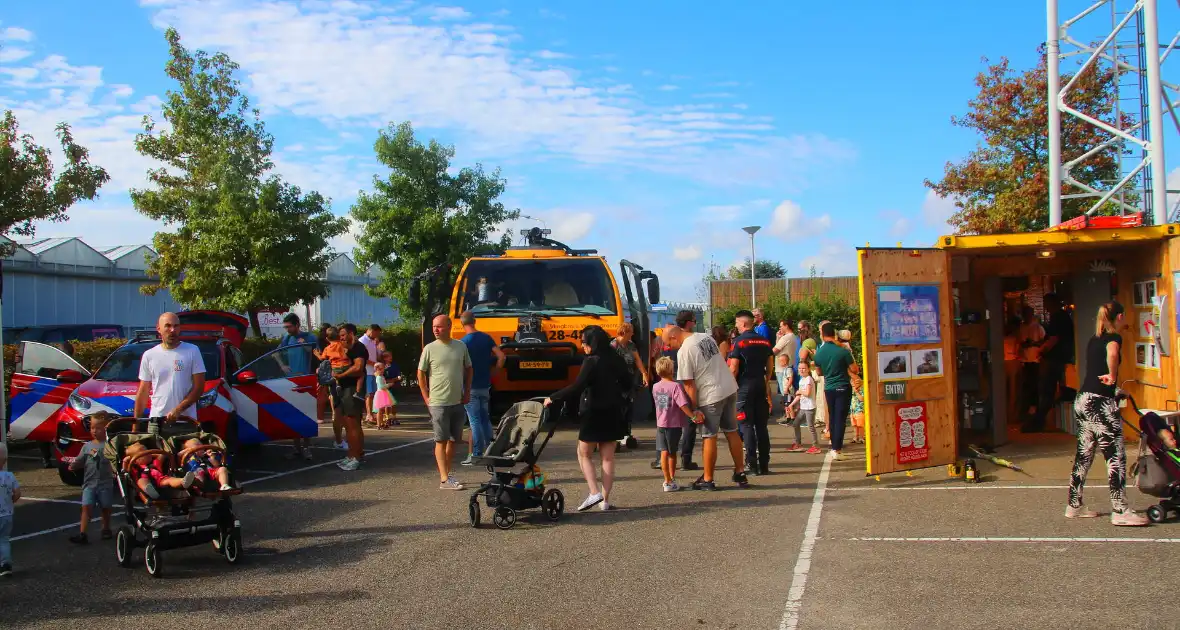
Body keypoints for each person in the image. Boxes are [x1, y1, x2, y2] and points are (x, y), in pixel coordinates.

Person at [1067, 301, 1148, 526]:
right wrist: (1113, 377)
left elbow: (1094, 372)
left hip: (1083, 399)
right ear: (1119, 317)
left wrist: (1114, 388)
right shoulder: (1114, 338)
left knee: (1084, 455)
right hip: (1100, 404)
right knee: (1115, 456)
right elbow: (1112, 354)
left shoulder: (1094, 339)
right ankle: (1120, 510)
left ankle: (1074, 505)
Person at [544, 326, 633, 510]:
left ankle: (594, 493)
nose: (582, 346)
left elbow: (577, 387)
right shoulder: (616, 358)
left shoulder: (591, 361)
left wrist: (553, 397)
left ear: (592, 343)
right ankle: (605, 501)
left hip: (593, 410)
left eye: (584, 342)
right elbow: (628, 382)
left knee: (583, 453)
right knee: (607, 458)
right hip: (613, 410)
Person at [667, 322, 749, 491]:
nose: (669, 347)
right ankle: (740, 472)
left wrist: (695, 409)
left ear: (674, 336)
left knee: (709, 435)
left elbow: (689, 384)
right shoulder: (705, 337)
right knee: (731, 431)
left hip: (710, 395)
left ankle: (708, 478)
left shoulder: (684, 351)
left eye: (669, 343)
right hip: (729, 387)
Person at [418, 315, 473, 490]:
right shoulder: (429, 348)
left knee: (453, 440)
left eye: (439, 327)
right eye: (434, 327)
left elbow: (469, 368)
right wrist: (426, 397)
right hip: (438, 402)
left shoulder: (460, 346)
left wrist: (467, 391)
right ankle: (444, 479)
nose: (435, 330)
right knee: (440, 440)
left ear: (449, 326)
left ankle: (447, 474)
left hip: (457, 400)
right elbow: (420, 373)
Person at [134, 312, 206, 432]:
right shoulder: (149, 355)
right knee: (154, 451)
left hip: (185, 421)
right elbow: (143, 392)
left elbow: (199, 388)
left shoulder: (192, 351)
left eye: (176, 326)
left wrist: (178, 410)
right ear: (158, 328)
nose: (172, 330)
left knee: (191, 450)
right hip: (156, 421)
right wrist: (135, 425)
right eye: (167, 326)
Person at [729, 310, 775, 475]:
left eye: (736, 323)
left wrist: (731, 387)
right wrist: (766, 379)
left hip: (744, 388)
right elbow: (770, 365)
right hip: (760, 385)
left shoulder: (738, 342)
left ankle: (751, 464)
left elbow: (733, 368)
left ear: (743, 323)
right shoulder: (764, 342)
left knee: (746, 425)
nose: (736, 326)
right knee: (761, 426)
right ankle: (764, 464)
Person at [459, 312, 505, 465]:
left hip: (470, 386)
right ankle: (491, 450)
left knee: (474, 420)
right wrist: (495, 372)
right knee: (485, 418)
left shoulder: (463, 343)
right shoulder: (486, 338)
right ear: (475, 321)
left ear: (461, 324)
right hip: (485, 384)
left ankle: (477, 454)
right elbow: (501, 356)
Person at [652, 357, 702, 492]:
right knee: (672, 453)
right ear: (671, 370)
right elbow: (682, 404)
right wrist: (692, 416)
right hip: (674, 424)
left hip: (660, 423)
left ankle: (666, 479)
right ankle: (671, 480)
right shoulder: (676, 386)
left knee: (663, 452)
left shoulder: (655, 386)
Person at [68, 412, 115, 544]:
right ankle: (83, 533)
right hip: (89, 483)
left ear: (106, 428)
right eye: (92, 427)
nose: (94, 431)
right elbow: (80, 460)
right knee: (86, 507)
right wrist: (74, 466)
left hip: (105, 483)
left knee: (105, 507)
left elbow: (114, 462)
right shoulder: (87, 446)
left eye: (98, 428)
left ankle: (106, 528)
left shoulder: (110, 445)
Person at [1030, 293, 1074, 432]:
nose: (1045, 306)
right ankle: (1041, 418)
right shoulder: (1063, 316)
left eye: (1047, 303)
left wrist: (1041, 351)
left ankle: (1039, 420)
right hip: (1061, 357)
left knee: (1046, 389)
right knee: (1051, 390)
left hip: (1055, 358)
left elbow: (1054, 339)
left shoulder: (1057, 317)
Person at [813, 322, 856, 461]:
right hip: (843, 386)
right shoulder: (843, 350)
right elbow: (855, 369)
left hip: (829, 387)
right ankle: (837, 449)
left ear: (822, 334)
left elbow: (819, 372)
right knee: (840, 418)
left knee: (832, 417)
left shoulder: (819, 352)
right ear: (835, 334)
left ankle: (833, 446)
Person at [279, 313, 317, 460]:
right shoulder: (286, 338)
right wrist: (283, 365)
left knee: (307, 414)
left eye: (289, 327)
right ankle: (296, 447)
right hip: (290, 380)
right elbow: (276, 353)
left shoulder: (309, 337)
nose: (287, 329)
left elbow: (316, 354)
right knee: (293, 414)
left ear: (296, 325)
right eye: (285, 327)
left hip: (306, 380)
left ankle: (307, 447)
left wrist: (304, 345)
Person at [332, 323, 370, 471]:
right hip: (344, 388)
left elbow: (358, 368)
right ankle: (353, 455)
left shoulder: (359, 347)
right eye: (340, 335)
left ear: (351, 334)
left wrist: (341, 374)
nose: (341, 337)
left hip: (353, 389)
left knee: (352, 423)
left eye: (343, 334)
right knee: (349, 424)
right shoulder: (344, 349)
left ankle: (355, 458)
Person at [1018, 305, 1045, 425]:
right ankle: (1026, 411)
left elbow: (1044, 341)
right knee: (1026, 387)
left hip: (1035, 360)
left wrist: (1034, 343)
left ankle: (1035, 411)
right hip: (1025, 361)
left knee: (1035, 386)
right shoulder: (1021, 328)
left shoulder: (1037, 327)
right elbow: (1019, 342)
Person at [786, 365, 821, 454]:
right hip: (803, 407)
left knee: (810, 427)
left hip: (810, 407)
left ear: (808, 369)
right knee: (796, 424)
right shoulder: (802, 380)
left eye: (804, 368)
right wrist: (791, 405)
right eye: (800, 368)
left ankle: (816, 447)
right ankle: (798, 444)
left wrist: (800, 391)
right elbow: (799, 395)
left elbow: (807, 393)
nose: (801, 370)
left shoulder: (809, 379)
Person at [773, 320, 799, 424]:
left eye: (781, 326)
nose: (780, 328)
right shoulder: (794, 337)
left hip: (781, 368)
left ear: (786, 326)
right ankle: (791, 414)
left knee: (785, 394)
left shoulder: (786, 337)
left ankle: (788, 416)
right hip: (791, 366)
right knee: (790, 394)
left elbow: (775, 350)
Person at [0, 443, 19, 577]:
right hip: (7, 514)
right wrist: (11, 501)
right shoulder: (9, 476)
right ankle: (6, 564)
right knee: (4, 539)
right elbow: (17, 493)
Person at [313, 324, 337, 427]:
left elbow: (323, 357)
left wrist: (317, 355)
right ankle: (334, 415)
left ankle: (320, 417)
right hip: (334, 369)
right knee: (332, 393)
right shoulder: (337, 343)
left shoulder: (324, 343)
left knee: (322, 393)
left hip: (323, 369)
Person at [361, 325, 383, 425]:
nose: (377, 335)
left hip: (373, 372)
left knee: (373, 394)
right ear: (371, 331)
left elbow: (375, 355)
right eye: (376, 333)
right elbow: (362, 358)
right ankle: (369, 415)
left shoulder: (372, 341)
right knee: (369, 394)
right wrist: (375, 364)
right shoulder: (363, 341)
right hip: (367, 371)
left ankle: (372, 415)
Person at [1003, 317, 1022, 427]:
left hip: (1003, 363)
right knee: (1014, 390)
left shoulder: (1001, 338)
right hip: (1013, 361)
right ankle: (1013, 415)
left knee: (1005, 390)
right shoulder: (1015, 338)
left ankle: (1005, 415)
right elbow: (1017, 351)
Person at [849, 364, 865, 444]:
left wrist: (857, 392)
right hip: (853, 410)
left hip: (860, 410)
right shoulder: (852, 389)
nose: (853, 383)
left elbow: (862, 399)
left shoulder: (862, 389)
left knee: (860, 425)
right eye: (852, 382)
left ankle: (862, 437)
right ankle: (855, 437)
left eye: (855, 381)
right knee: (854, 425)